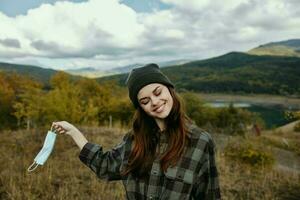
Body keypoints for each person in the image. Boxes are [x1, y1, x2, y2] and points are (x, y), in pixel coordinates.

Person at [52, 63, 221, 199]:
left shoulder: (200, 141)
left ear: (170, 90)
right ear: (141, 107)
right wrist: (74, 132)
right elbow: (105, 165)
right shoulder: (134, 140)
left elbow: (209, 194)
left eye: (158, 92)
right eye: (145, 101)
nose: (155, 102)